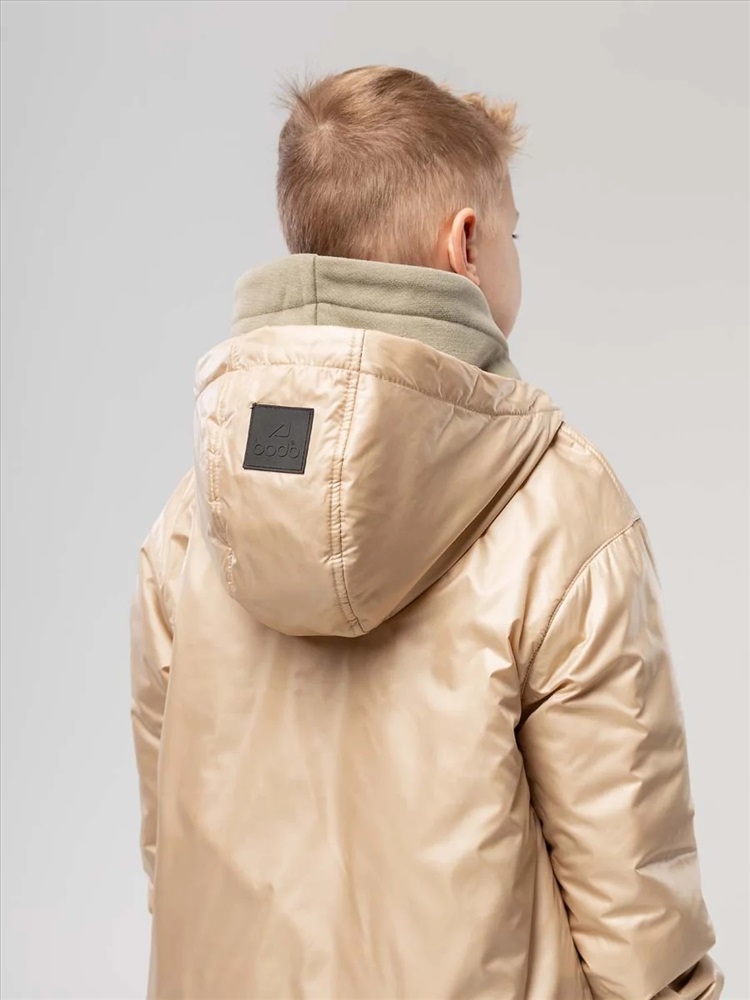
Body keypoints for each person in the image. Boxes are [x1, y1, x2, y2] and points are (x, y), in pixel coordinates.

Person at [130, 65, 723, 999]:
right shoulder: (561, 512)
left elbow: (174, 860)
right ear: (467, 243)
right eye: (515, 232)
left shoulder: (194, 521)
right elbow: (635, 921)